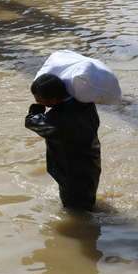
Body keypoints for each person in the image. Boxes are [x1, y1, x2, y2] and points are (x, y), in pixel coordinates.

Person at [25, 73, 101, 210]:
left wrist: (36, 109)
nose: (36, 100)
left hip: (72, 173)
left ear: (53, 99)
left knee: (76, 211)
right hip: (91, 160)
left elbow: (32, 122)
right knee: (86, 200)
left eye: (38, 98)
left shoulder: (56, 122)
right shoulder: (85, 103)